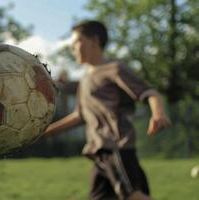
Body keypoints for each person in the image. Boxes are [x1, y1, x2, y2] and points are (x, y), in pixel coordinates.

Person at [43, 21, 171, 200]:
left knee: (134, 197)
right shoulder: (85, 79)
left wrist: (158, 113)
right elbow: (79, 116)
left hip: (116, 148)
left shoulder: (114, 69)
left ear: (94, 40)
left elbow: (150, 93)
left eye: (76, 44)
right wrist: (45, 132)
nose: (73, 49)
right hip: (99, 155)